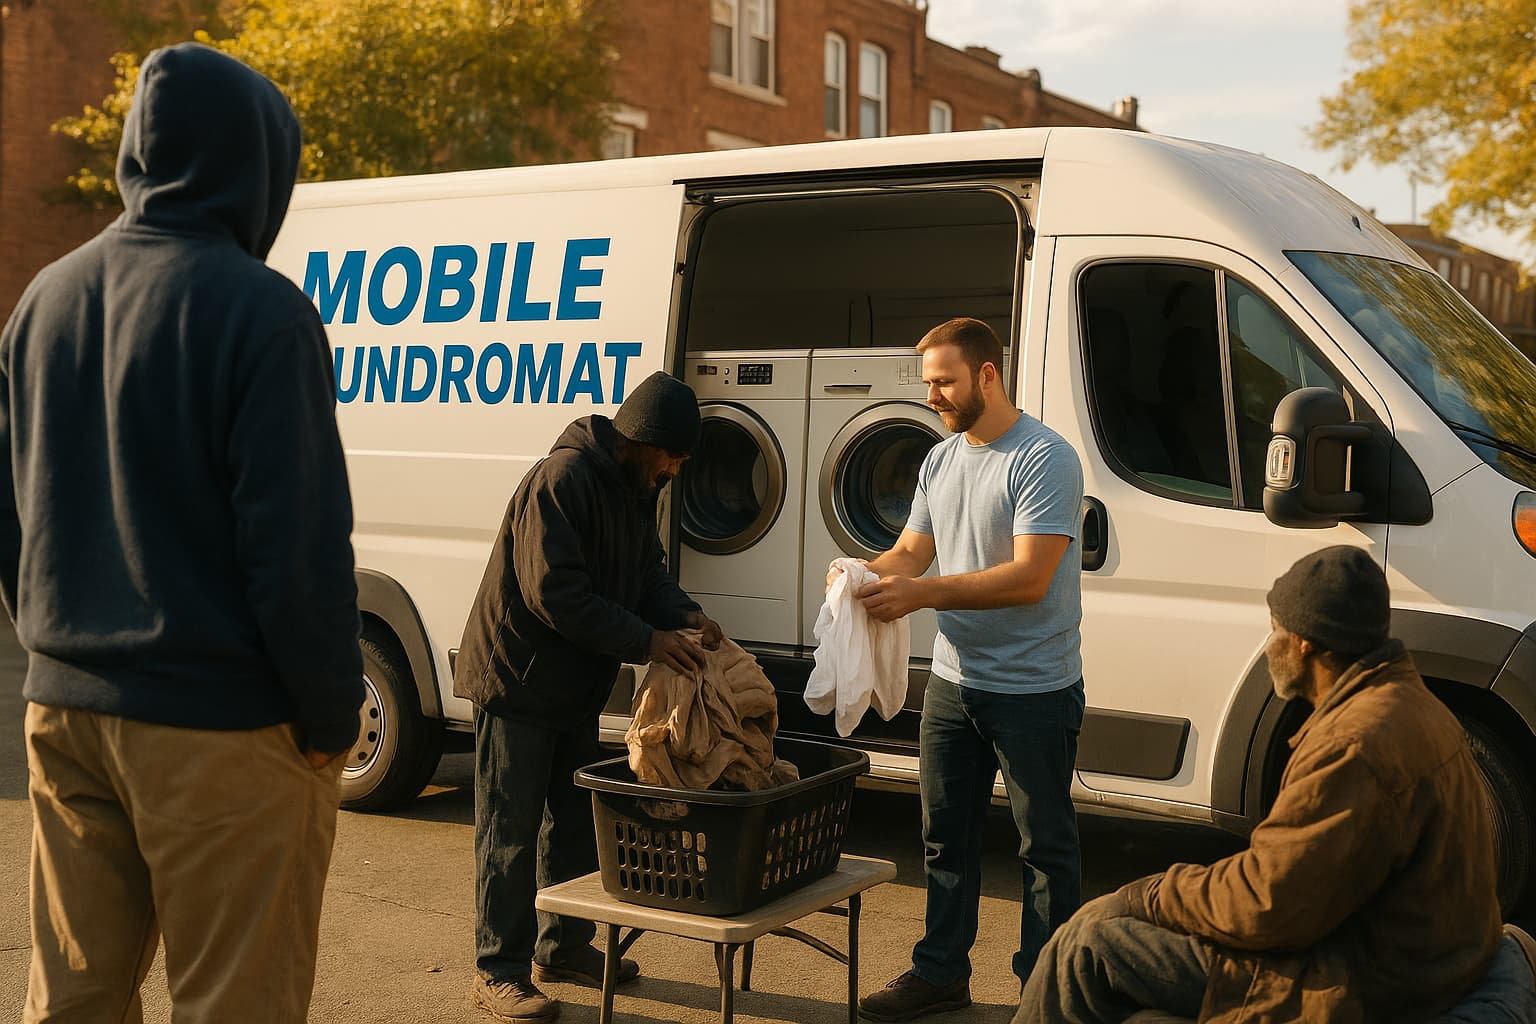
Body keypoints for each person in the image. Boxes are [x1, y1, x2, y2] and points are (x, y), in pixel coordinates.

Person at [0, 44, 364, 1023]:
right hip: (219, 725)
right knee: (235, 1002)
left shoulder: (44, 299)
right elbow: (297, 552)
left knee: (73, 1001)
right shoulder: (264, 312)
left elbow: (12, 517)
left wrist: (55, 638)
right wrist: (332, 715)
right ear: (256, 164)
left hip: (65, 711)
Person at [1015, 546, 1505, 1024]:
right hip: (1399, 957)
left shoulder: (1354, 745)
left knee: (1084, 944)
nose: (1269, 646)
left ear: (1307, 642)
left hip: (1360, 979)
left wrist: (1151, 895)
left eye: (1276, 630)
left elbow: (1268, 902)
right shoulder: (1409, 703)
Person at [456, 370, 724, 1022]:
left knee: (574, 827)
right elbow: (557, 597)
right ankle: (497, 971)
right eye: (674, 457)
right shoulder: (562, 480)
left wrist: (685, 616)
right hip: (516, 682)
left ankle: (563, 946)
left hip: (572, 688)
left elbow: (646, 573)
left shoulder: (635, 489)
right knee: (509, 837)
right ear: (641, 440)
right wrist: (648, 641)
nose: (675, 471)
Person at [848, 317, 1086, 1022]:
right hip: (954, 684)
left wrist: (920, 595)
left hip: (1034, 688)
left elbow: (1028, 578)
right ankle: (941, 972)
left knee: (1046, 847)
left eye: (944, 381)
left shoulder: (1044, 457)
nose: (933, 397)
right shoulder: (940, 459)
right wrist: (857, 577)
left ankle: (1044, 994)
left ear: (987, 374)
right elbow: (912, 552)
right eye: (927, 383)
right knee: (944, 837)